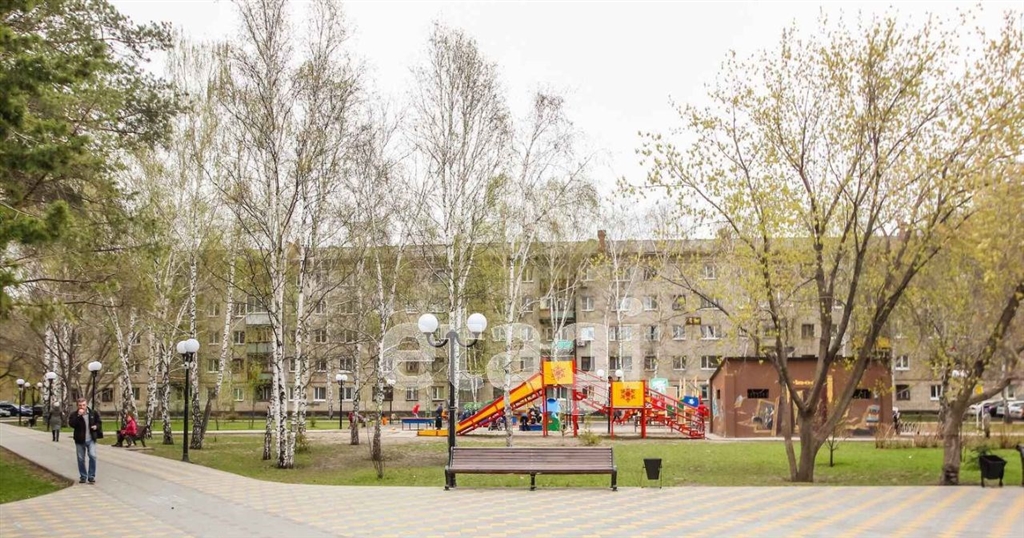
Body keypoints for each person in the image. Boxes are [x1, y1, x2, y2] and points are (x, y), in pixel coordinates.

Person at [68, 397, 101, 484]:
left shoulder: (93, 413)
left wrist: (96, 426)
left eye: (84, 405)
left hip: (91, 439)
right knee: (80, 459)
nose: (82, 407)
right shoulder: (74, 415)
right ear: (77, 406)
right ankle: (83, 476)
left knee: (92, 456)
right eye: (80, 405)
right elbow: (72, 424)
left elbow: (99, 422)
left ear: (86, 405)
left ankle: (91, 476)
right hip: (80, 440)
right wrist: (79, 416)